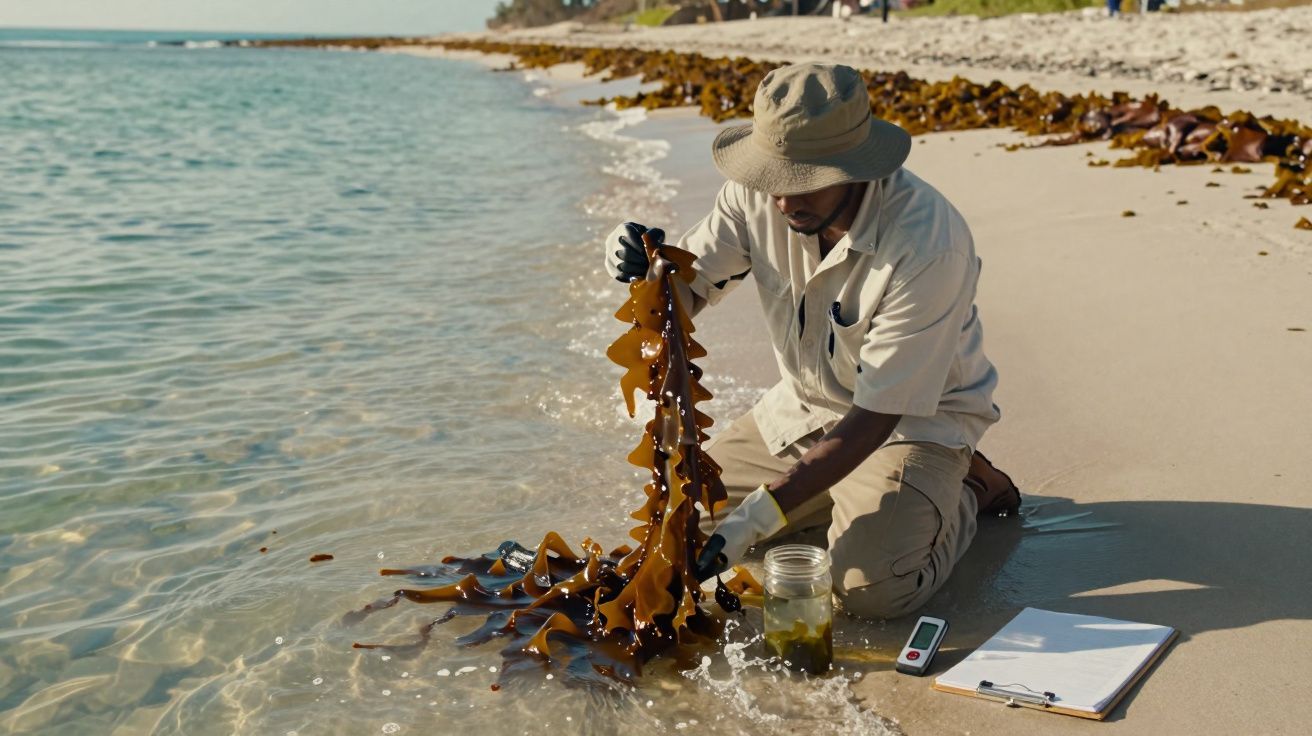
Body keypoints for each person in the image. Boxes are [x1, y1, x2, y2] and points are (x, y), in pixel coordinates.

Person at [603, 63, 1017, 620]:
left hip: (911, 424)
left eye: (803, 182)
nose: (781, 200)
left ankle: (966, 489)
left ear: (857, 167)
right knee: (674, 538)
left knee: (873, 593)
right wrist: (642, 268)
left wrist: (761, 514)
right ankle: (837, 503)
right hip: (803, 411)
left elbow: (877, 414)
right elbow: (687, 291)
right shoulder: (755, 195)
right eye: (772, 177)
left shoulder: (928, 244)